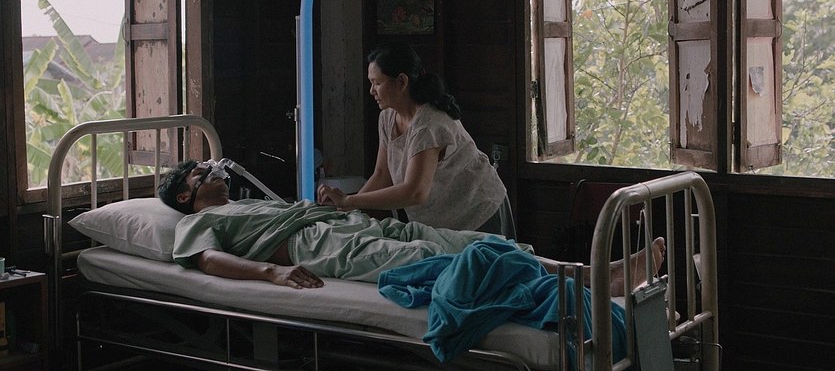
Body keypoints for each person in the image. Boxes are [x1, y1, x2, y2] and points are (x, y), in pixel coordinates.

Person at [159, 159, 666, 292]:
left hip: (355, 226)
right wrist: (272, 273)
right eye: (202, 171)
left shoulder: (247, 204)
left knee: (480, 241)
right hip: (321, 247)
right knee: (447, 261)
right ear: (186, 194)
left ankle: (589, 273)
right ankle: (594, 281)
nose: (214, 170)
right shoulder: (201, 222)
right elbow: (206, 261)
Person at [317, 42, 511, 236]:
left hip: (478, 211)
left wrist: (349, 200)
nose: (371, 91)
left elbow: (415, 192)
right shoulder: (387, 117)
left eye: (377, 83)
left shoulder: (429, 124)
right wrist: (349, 208)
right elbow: (383, 174)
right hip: (443, 221)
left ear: (401, 82)